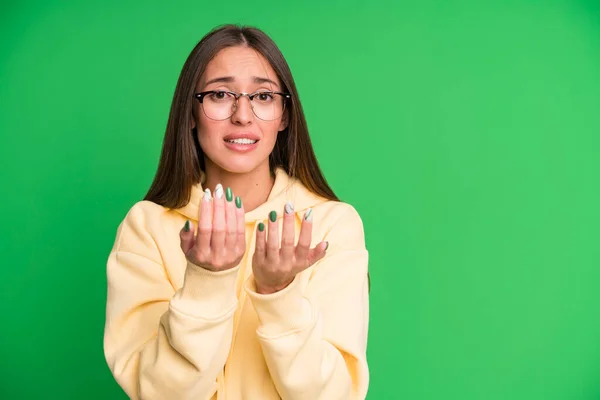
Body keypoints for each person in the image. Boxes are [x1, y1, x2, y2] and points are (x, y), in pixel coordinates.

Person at [103, 24, 370, 400]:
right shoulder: (146, 227)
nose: (242, 115)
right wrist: (206, 281)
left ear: (284, 115)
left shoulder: (330, 226)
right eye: (220, 94)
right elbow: (158, 394)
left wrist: (279, 293)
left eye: (263, 96)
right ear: (191, 113)